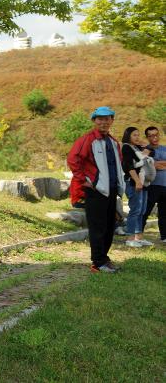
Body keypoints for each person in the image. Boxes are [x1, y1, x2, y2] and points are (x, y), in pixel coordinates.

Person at [67, 106, 124, 273]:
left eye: (107, 119)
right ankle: (97, 263)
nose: (104, 122)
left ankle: (104, 258)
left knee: (109, 226)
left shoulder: (114, 142)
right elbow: (73, 158)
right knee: (98, 227)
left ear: (112, 121)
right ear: (94, 121)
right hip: (96, 190)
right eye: (100, 118)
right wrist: (83, 179)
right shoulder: (88, 139)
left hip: (111, 189)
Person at [119, 127, 154, 247]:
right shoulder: (126, 147)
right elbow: (128, 166)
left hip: (143, 182)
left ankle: (138, 237)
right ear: (128, 135)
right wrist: (137, 181)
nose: (137, 137)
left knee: (142, 210)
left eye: (138, 135)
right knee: (135, 210)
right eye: (134, 135)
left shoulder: (137, 147)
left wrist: (145, 145)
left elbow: (151, 152)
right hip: (134, 182)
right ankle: (130, 238)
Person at [142, 126, 166, 242]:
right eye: (151, 135)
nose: (154, 137)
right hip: (152, 186)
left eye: (156, 135)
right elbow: (149, 165)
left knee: (164, 213)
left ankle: (164, 237)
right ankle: (138, 236)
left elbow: (155, 165)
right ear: (147, 137)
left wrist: (156, 163)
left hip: (165, 185)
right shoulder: (146, 150)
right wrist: (158, 164)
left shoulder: (164, 149)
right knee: (145, 211)